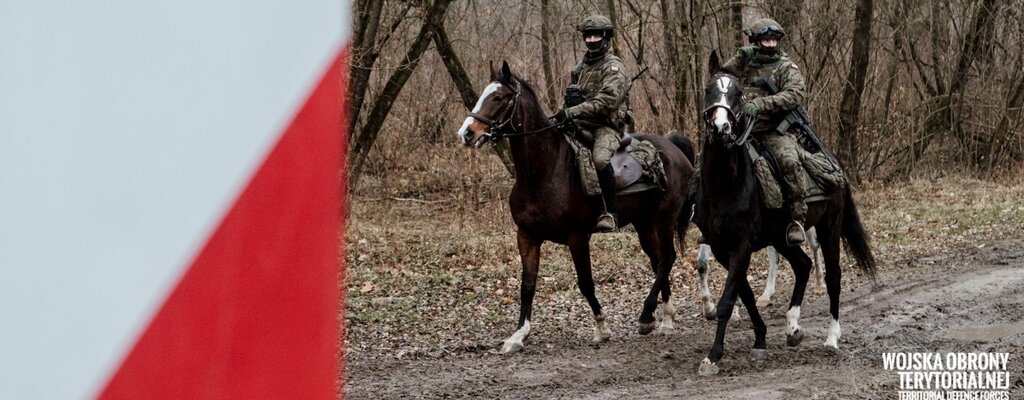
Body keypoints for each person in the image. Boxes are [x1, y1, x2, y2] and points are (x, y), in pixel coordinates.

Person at [723, 18, 811, 245]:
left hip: (774, 131)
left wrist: (762, 104)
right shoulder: (746, 61)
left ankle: (796, 220)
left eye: (774, 39)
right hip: (744, 130)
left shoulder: (785, 66)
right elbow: (723, 77)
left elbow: (795, 94)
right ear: (756, 41)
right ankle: (702, 212)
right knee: (711, 156)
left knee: (789, 161)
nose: (770, 43)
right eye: (765, 39)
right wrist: (740, 56)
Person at [551, 14, 630, 232]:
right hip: (580, 122)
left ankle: (610, 213)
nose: (591, 40)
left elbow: (607, 100)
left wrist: (572, 111)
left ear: (606, 37)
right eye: (588, 35)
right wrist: (561, 113)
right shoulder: (581, 68)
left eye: (596, 35)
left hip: (606, 125)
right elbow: (570, 96)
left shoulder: (614, 67)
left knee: (600, 158)